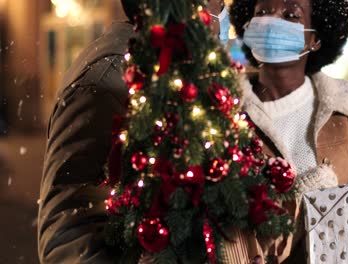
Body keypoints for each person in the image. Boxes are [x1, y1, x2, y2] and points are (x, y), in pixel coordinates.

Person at [220, 0, 348, 263]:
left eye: (290, 15)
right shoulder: (221, 115)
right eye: (262, 12)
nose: (271, 22)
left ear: (315, 39)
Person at [37, 1, 226, 263]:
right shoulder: (110, 79)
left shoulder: (172, 71)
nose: (222, 9)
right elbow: (69, 236)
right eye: (217, 2)